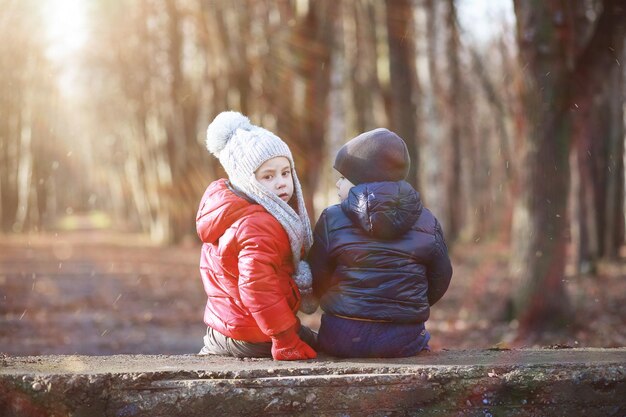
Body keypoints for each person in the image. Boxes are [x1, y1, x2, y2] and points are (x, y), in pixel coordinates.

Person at [308, 128, 453, 358]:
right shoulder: (427, 220)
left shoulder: (332, 218)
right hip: (403, 339)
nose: (337, 183)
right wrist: (407, 303)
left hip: (342, 335)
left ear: (361, 180)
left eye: (344, 178)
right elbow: (441, 277)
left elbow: (318, 276)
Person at [197, 111, 317, 361]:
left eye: (286, 173)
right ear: (246, 181)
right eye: (268, 176)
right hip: (250, 333)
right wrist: (284, 339)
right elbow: (257, 285)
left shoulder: (237, 209)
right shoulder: (258, 224)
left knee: (319, 341)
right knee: (324, 350)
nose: (282, 183)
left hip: (233, 323)